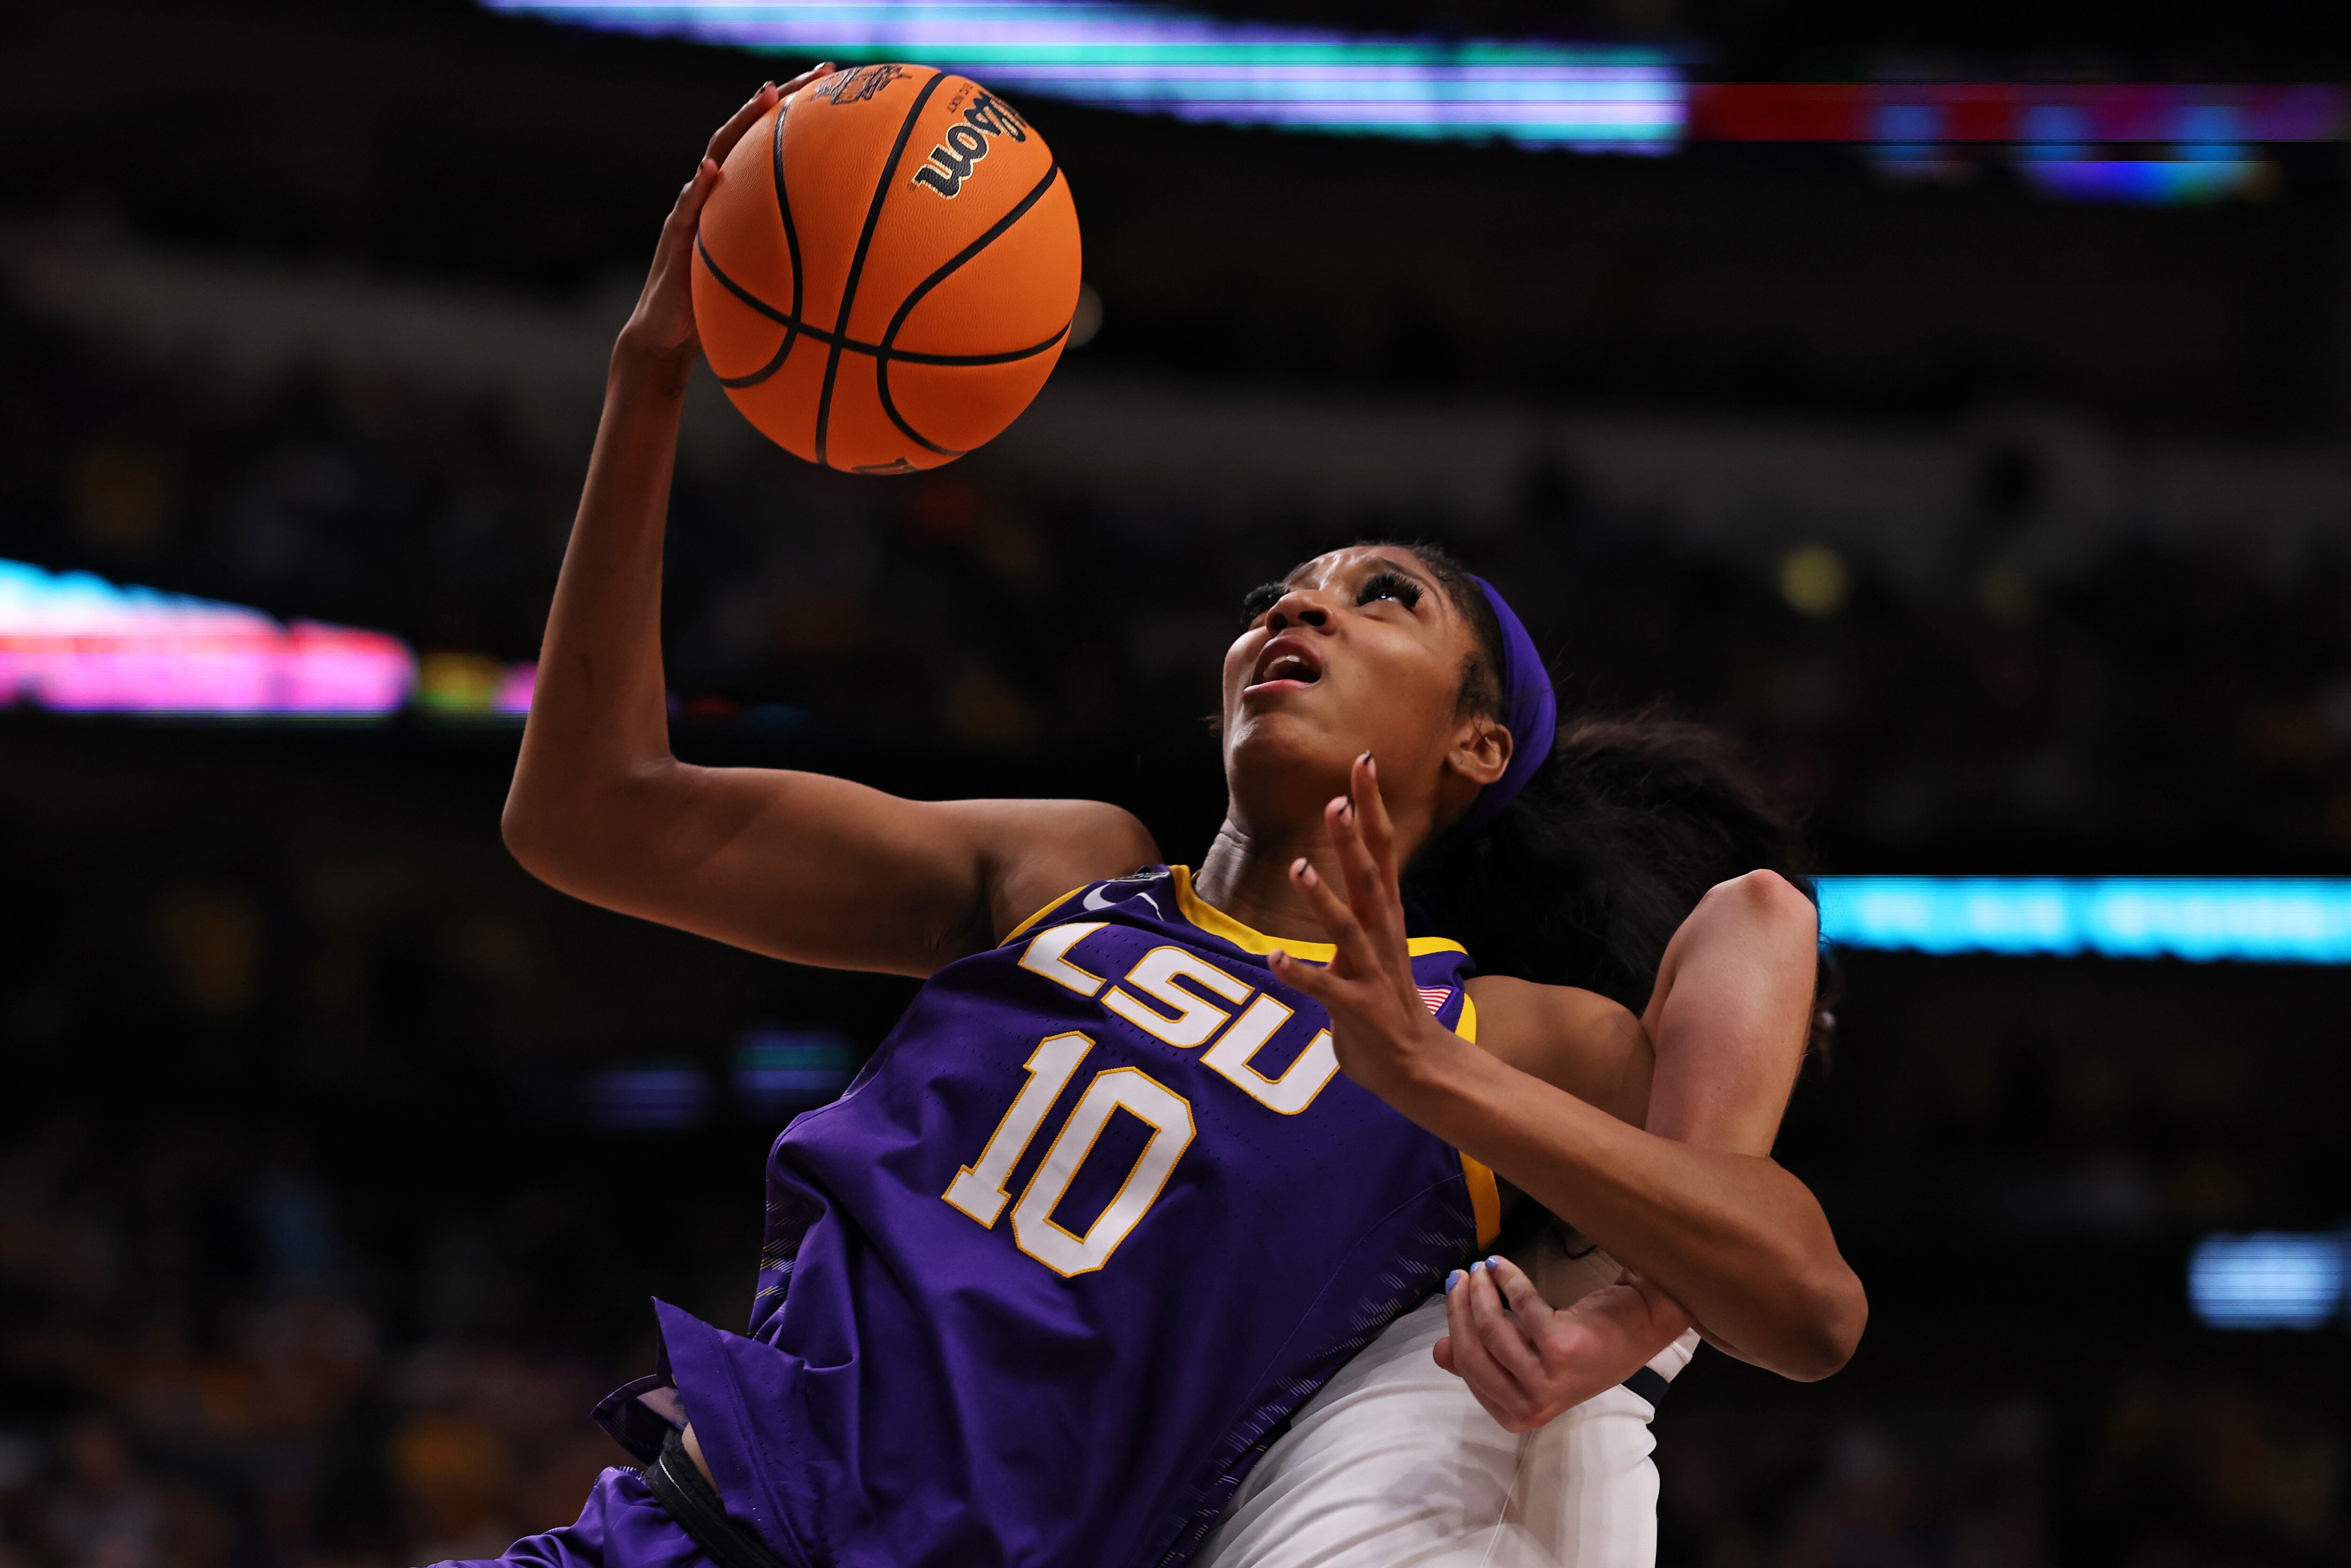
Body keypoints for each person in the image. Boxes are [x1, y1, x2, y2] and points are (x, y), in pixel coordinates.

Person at [483, 72, 1865, 1568]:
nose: (1299, 610)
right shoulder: (1063, 869)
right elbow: (591, 818)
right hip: (678, 1536)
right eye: (1281, 593)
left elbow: (1797, 1253)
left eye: (1378, 596)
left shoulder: (1495, 1039)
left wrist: (1573, 1243)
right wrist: (651, 379)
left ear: (1482, 742)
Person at [1199, 719, 1836, 1568]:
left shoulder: (1594, 1229)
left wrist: (1634, 1318)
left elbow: (1759, 910)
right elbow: (1763, 906)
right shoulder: (1484, 1137)